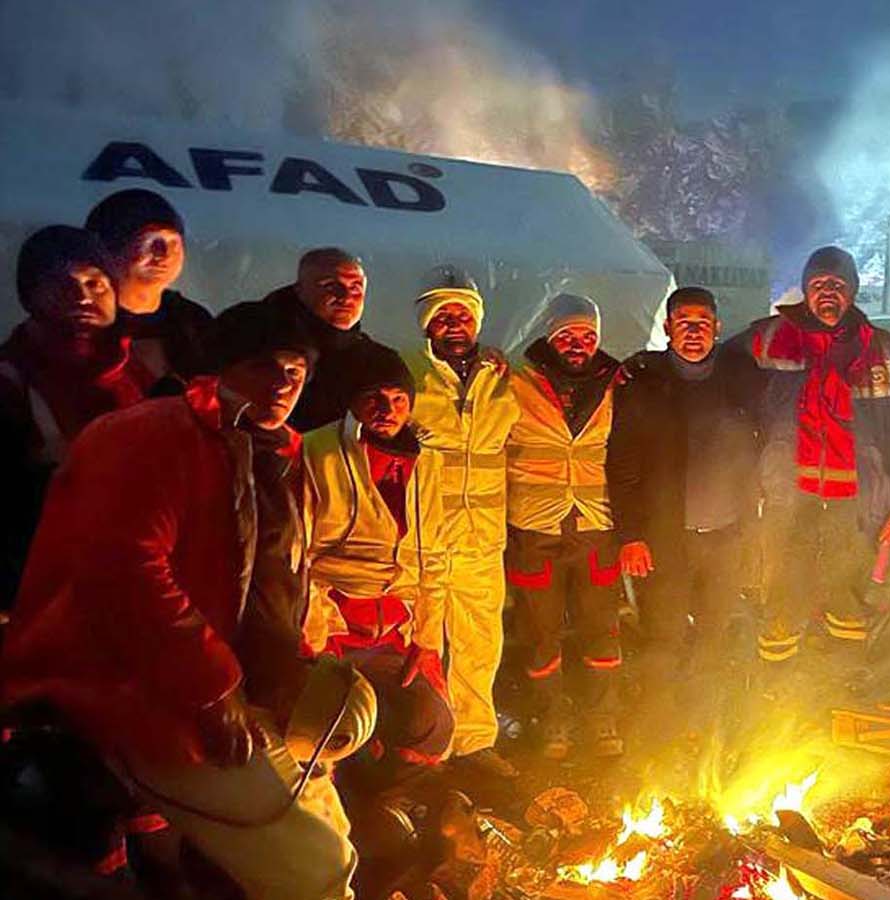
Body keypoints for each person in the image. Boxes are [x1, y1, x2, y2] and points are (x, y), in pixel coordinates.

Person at [1, 302, 367, 900]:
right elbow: (124, 572)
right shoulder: (152, 436)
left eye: (295, 371)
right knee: (309, 861)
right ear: (222, 367)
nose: (282, 383)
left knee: (331, 813)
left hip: (220, 685)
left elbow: (279, 578)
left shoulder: (278, 453)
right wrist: (213, 690)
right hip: (126, 685)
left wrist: (297, 662)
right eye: (262, 366)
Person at [736, 246, 890, 676]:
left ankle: (842, 681)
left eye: (837, 286)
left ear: (852, 292)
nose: (827, 294)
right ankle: (777, 688)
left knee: (847, 592)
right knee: (782, 591)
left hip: (854, 500)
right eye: (818, 285)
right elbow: (705, 370)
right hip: (789, 495)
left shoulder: (881, 349)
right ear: (805, 291)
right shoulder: (767, 337)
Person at [302, 341, 453, 789]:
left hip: (394, 630)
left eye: (399, 399)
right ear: (352, 401)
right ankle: (341, 810)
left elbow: (433, 557)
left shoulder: (425, 463)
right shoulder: (318, 454)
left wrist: (427, 641)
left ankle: (392, 803)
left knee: (432, 723)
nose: (388, 409)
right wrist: (315, 642)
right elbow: (298, 555)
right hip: (332, 625)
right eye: (375, 399)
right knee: (338, 728)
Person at [608, 286, 761, 700]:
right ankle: (661, 723)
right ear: (667, 327)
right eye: (684, 323)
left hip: (726, 537)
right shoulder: (644, 383)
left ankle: (703, 719)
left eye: (703, 324)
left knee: (715, 634)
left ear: (717, 328)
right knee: (664, 638)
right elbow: (621, 466)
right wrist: (630, 535)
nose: (694, 333)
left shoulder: (741, 380)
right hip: (665, 539)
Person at [404, 271, 522, 778]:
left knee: (479, 643)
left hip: (482, 538)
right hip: (425, 538)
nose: (455, 324)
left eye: (464, 315)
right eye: (443, 316)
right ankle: (422, 745)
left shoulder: (502, 376)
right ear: (427, 326)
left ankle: (474, 743)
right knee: (422, 644)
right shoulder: (407, 374)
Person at [1, 226, 152, 609]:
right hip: (41, 589)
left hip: (140, 578)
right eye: (62, 284)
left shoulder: (143, 370)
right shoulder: (12, 379)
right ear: (31, 296)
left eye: (94, 283)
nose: (82, 296)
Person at [505, 294, 627, 760]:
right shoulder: (515, 382)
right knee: (541, 632)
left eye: (587, 336)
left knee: (604, 630)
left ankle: (603, 719)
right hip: (534, 528)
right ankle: (552, 718)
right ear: (550, 337)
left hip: (597, 524)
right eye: (568, 336)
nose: (578, 344)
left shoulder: (616, 383)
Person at [231, 247, 377, 431]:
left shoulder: (374, 361)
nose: (346, 297)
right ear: (299, 289)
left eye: (355, 287)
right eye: (330, 285)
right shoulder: (249, 332)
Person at [84, 188, 213, 393]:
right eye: (150, 241)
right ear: (109, 249)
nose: (164, 254)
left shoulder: (192, 322)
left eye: (173, 242)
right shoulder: (82, 324)